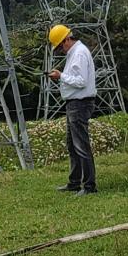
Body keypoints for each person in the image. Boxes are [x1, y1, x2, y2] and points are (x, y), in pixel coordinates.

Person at [48, 24, 98, 194]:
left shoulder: (79, 53)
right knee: (72, 144)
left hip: (80, 103)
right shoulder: (75, 53)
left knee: (81, 145)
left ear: (68, 39)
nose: (61, 50)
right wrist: (62, 77)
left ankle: (89, 186)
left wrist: (61, 75)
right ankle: (74, 182)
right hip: (74, 103)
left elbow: (81, 81)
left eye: (61, 46)